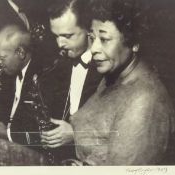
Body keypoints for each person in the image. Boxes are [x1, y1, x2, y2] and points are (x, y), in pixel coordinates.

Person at [68, 0, 175, 165]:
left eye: (104, 39)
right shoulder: (110, 78)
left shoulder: (144, 101)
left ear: (134, 44)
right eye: (91, 37)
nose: (94, 48)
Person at [40, 0, 102, 161]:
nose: (60, 44)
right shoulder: (59, 65)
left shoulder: (107, 69)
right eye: (56, 36)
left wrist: (76, 134)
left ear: (89, 30)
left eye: (67, 36)